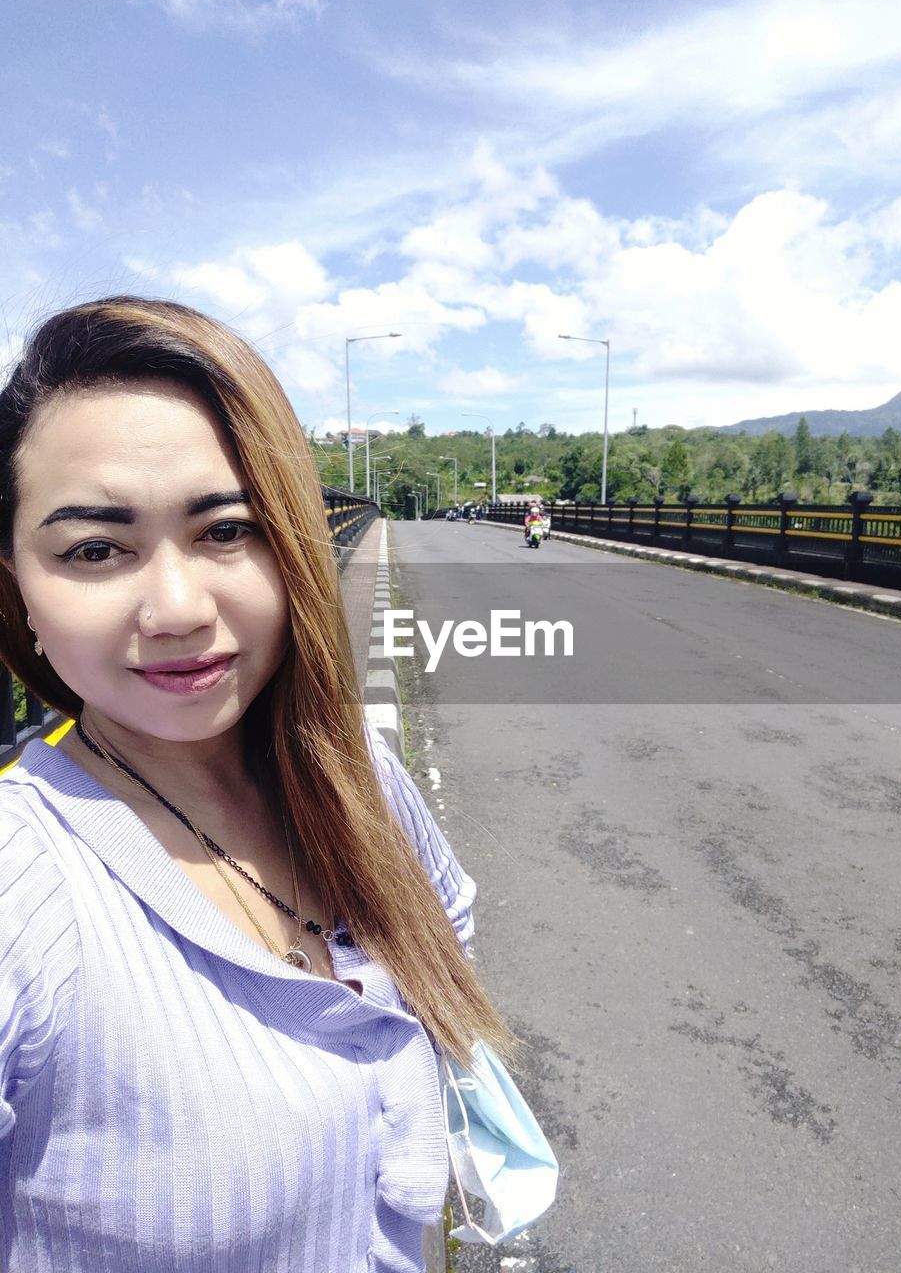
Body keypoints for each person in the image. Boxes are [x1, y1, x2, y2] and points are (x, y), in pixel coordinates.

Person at [0, 297, 513, 1272]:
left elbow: (445, 912)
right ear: (17, 584)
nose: (179, 608)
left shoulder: (352, 771)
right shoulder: (26, 883)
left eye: (226, 530)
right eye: (94, 549)